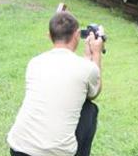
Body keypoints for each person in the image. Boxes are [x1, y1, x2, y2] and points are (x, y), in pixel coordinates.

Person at [7, 11, 104, 156]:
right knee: (89, 109)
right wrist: (96, 54)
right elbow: (93, 93)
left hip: (18, 148)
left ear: (49, 36)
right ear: (77, 34)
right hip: (56, 153)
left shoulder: (35, 62)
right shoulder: (86, 68)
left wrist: (87, 57)